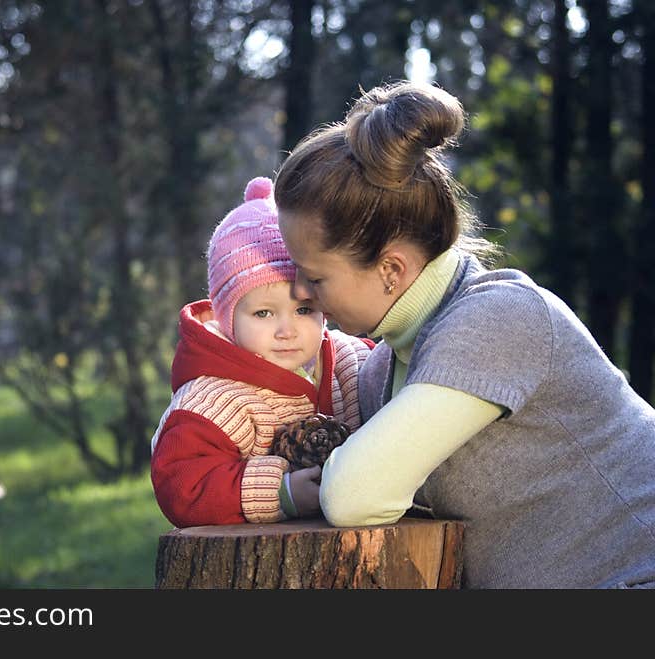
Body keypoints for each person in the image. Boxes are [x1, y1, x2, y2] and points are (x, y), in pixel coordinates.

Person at [273, 80, 655, 589]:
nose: (299, 288)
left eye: (315, 275)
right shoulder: (380, 370)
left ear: (390, 268)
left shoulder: (500, 318)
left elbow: (353, 496)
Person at [150, 177, 374, 528]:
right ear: (228, 318)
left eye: (304, 310)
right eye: (263, 314)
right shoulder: (212, 401)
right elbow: (182, 484)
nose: (287, 331)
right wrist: (280, 491)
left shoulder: (353, 362)